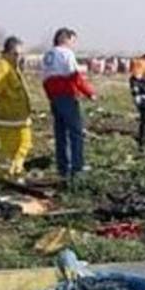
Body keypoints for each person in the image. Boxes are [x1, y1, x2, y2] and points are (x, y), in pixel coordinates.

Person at [41, 27, 96, 179]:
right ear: (65, 38)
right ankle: (77, 166)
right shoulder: (66, 53)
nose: (73, 44)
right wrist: (89, 92)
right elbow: (75, 76)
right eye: (73, 40)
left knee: (60, 133)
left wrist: (51, 96)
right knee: (75, 132)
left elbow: (45, 80)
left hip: (55, 98)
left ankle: (63, 167)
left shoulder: (47, 55)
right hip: (67, 96)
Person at [0, 35, 34, 181]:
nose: (18, 57)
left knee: (22, 144)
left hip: (18, 115)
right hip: (9, 116)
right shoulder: (2, 66)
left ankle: (13, 171)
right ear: (7, 52)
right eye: (15, 54)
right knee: (15, 147)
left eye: (20, 54)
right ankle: (10, 173)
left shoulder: (13, 66)